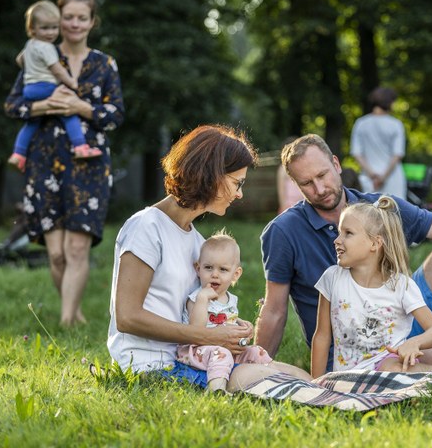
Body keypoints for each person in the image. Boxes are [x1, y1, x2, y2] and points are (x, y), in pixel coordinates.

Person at [256, 134, 432, 370]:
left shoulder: (379, 207)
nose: (320, 189)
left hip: (397, 320)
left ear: (336, 165)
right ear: (295, 185)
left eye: (323, 175)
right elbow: (274, 310)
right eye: (307, 183)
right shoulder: (284, 231)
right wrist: (258, 365)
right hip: (348, 346)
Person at [108, 125, 311, 392]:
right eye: (237, 183)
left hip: (193, 360)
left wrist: (229, 328)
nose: (239, 194)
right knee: (274, 380)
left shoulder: (198, 244)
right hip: (149, 367)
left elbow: (194, 312)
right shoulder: (147, 227)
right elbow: (127, 317)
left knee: (294, 374)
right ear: (212, 175)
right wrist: (209, 336)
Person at [4, 0, 125, 326]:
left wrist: (80, 106)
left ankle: (65, 322)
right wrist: (44, 106)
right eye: (67, 17)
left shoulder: (104, 65)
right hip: (43, 164)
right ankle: (74, 315)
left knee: (76, 250)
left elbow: (115, 115)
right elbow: (13, 105)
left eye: (81, 18)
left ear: (91, 21)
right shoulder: (39, 53)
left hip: (89, 165)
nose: (74, 24)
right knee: (56, 255)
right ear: (57, 20)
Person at [311, 196, 432, 380]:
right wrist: (316, 384)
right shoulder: (332, 279)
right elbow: (321, 336)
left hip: (387, 367)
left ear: (375, 243)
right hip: (348, 378)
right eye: (338, 232)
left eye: (348, 233)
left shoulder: (401, 285)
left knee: (392, 369)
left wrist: (413, 343)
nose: (337, 240)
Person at [7, 0, 102, 172]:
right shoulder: (47, 47)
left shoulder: (30, 44)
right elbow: (57, 70)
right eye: (45, 28)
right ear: (32, 29)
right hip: (45, 86)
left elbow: (19, 60)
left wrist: (31, 71)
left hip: (30, 88)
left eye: (53, 28)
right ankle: (80, 147)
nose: (50, 33)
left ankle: (18, 155)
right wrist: (71, 82)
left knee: (31, 124)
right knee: (69, 114)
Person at [176, 232, 275, 392]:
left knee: (256, 351)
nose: (214, 274)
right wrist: (203, 299)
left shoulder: (230, 299)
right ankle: (216, 390)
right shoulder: (196, 298)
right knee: (221, 354)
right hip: (196, 352)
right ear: (198, 268)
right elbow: (196, 330)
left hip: (224, 350)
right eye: (208, 268)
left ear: (235, 274)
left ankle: (274, 380)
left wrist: (241, 326)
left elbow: (227, 321)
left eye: (223, 269)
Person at [350, 87, 407, 198]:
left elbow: (357, 153)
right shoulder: (395, 124)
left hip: (368, 179)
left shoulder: (361, 123)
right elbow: (397, 154)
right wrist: (383, 178)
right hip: (392, 179)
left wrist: (372, 175)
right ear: (389, 102)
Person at [276, 137, 303, 214]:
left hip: (302, 203)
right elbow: (281, 190)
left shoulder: (303, 167)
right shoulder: (283, 169)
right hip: (289, 205)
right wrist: (283, 206)